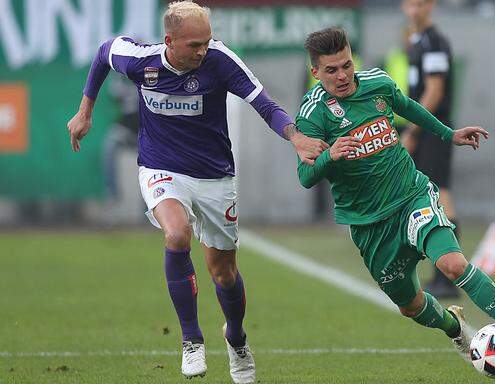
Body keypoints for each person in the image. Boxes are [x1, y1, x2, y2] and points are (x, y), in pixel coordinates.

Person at [66, 1, 327, 382]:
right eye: (194, 45)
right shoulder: (142, 62)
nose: (203, 50)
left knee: (224, 274)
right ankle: (191, 340)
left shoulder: (220, 60)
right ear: (170, 41)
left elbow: (265, 104)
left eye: (207, 41)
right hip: (161, 168)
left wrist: (296, 138)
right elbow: (104, 52)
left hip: (214, 177)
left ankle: (236, 339)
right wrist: (85, 109)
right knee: (176, 234)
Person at [295, 27, 495, 375]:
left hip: (411, 195)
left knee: (453, 264)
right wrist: (330, 156)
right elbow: (305, 177)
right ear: (315, 72)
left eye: (346, 65)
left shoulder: (377, 84)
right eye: (331, 70)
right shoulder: (313, 114)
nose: (342, 75)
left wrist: (449, 133)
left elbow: (408, 107)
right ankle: (454, 328)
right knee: (410, 305)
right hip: (370, 225)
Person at [401, 0, 459, 298]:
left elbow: (434, 90)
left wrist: (413, 130)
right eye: (410, 3)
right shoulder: (417, 41)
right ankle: (442, 273)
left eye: (420, 4)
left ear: (430, 6)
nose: (414, 9)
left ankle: (448, 277)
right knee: (432, 194)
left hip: (434, 129)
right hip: (425, 130)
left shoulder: (435, 42)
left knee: (440, 192)